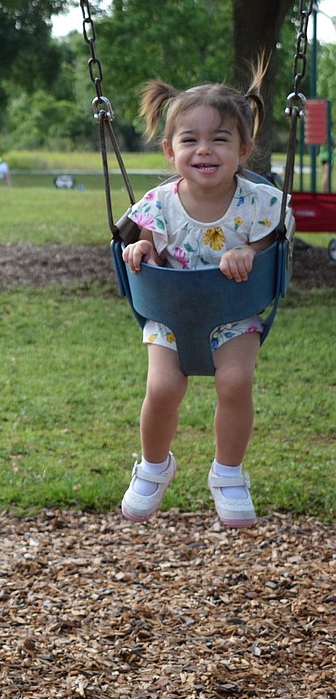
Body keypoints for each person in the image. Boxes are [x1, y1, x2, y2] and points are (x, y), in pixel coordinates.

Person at [119, 65, 289, 529]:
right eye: (190, 140)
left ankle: (228, 474)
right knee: (162, 388)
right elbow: (148, 241)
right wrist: (140, 247)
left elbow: (273, 241)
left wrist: (249, 251)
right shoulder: (159, 202)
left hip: (234, 314)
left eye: (220, 139)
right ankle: (154, 467)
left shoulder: (258, 201)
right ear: (170, 150)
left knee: (235, 382)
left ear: (244, 150)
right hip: (170, 316)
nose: (204, 149)